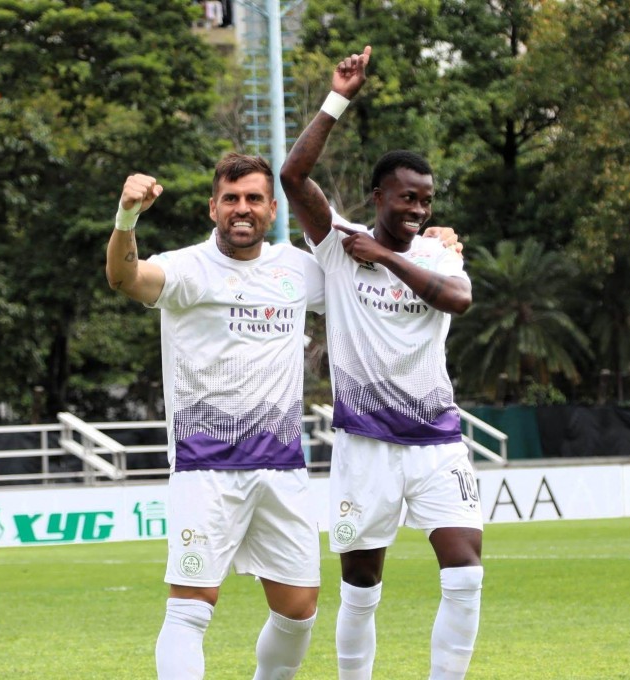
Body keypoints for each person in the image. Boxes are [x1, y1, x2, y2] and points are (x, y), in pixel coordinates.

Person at [279, 46, 485, 680]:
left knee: (466, 569)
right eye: (406, 197)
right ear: (379, 194)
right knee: (362, 583)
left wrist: (391, 256)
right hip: (364, 447)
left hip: (437, 443)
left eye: (425, 200)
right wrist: (338, 97)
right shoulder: (339, 247)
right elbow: (292, 178)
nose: (418, 208)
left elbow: (458, 300)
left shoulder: (439, 258)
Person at [105, 153, 324, 679]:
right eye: (231, 199)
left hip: (283, 467)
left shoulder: (298, 269)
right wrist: (126, 217)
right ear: (213, 208)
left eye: (253, 198)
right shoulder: (186, 268)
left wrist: (436, 247)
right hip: (206, 468)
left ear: (273, 208)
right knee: (191, 606)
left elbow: (369, 276)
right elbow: (123, 277)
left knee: (299, 611)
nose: (241, 209)